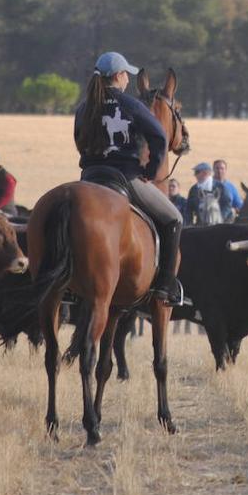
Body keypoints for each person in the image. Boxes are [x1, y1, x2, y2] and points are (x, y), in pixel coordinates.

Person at [74, 51, 183, 306]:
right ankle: (165, 287)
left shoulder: (84, 107)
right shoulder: (131, 105)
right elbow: (158, 136)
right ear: (120, 76)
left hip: (90, 177)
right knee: (174, 219)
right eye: (126, 75)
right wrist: (150, 171)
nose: (127, 80)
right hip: (125, 177)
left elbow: (79, 140)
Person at [185, 162, 229, 227]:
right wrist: (189, 223)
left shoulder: (220, 187)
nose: (195, 175)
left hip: (219, 224)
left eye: (197, 172)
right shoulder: (194, 189)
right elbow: (189, 208)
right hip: (200, 224)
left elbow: (227, 205)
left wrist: (221, 219)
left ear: (205, 173)